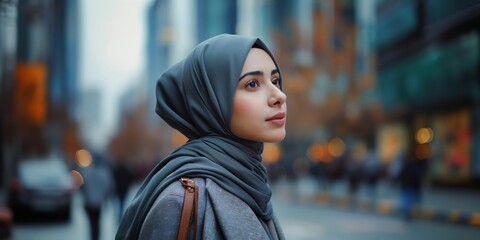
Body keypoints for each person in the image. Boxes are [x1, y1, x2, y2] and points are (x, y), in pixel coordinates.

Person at [116, 34, 286, 239]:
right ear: (211, 101)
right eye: (252, 84)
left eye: (275, 80)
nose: (279, 95)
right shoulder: (179, 202)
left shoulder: (251, 182)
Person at [80, 151, 114, 240]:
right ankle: (96, 237)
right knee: (97, 222)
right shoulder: (104, 173)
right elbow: (108, 187)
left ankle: (93, 237)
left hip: (89, 202)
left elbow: (83, 186)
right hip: (98, 203)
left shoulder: (87, 172)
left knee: (92, 223)